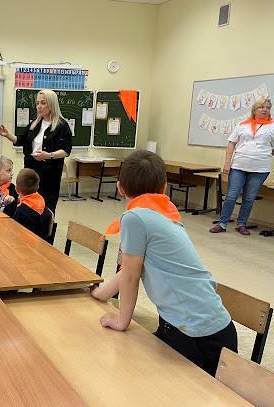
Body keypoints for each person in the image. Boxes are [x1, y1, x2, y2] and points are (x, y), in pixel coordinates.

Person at [91, 150, 237, 376]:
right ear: (165, 187)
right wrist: (101, 294)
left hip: (198, 335)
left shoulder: (135, 218)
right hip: (194, 327)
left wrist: (122, 321)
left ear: (120, 188)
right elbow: (131, 270)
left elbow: (130, 277)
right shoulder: (161, 214)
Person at [0, 90, 72, 213]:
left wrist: (48, 155)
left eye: (43, 103)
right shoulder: (35, 123)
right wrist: (7, 135)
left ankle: (46, 225)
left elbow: (66, 150)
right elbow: (21, 140)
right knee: (28, 204)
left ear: (52, 104)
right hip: (31, 171)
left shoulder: (61, 125)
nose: (39, 106)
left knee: (46, 206)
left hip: (49, 174)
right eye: (37, 103)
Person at [210, 97, 274, 235]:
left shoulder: (272, 126)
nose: (265, 110)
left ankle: (241, 224)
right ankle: (222, 223)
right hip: (239, 166)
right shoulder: (243, 124)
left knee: (249, 198)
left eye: (268, 108)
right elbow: (231, 143)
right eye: (261, 107)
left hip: (260, 169)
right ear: (255, 109)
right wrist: (227, 163)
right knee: (231, 196)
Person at [13, 168, 53, 240]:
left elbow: (15, 231)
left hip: (25, 243)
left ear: (17, 189)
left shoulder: (20, 211)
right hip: (42, 242)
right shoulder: (42, 203)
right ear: (38, 187)